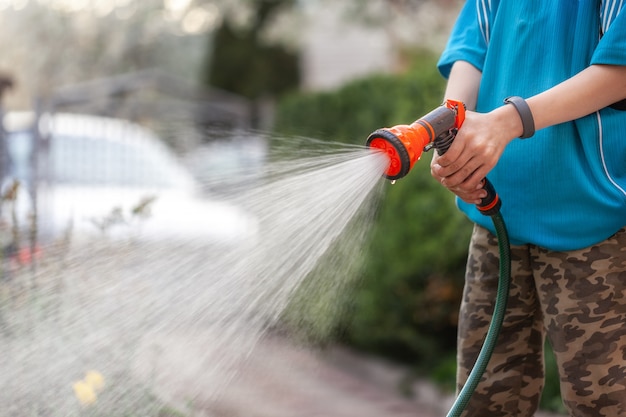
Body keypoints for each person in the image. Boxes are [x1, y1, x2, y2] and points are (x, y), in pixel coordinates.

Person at [430, 2, 626, 416]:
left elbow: (620, 67)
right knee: (484, 399)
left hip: (592, 220)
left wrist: (506, 122)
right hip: (495, 216)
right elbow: (473, 46)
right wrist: (454, 128)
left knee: (602, 402)